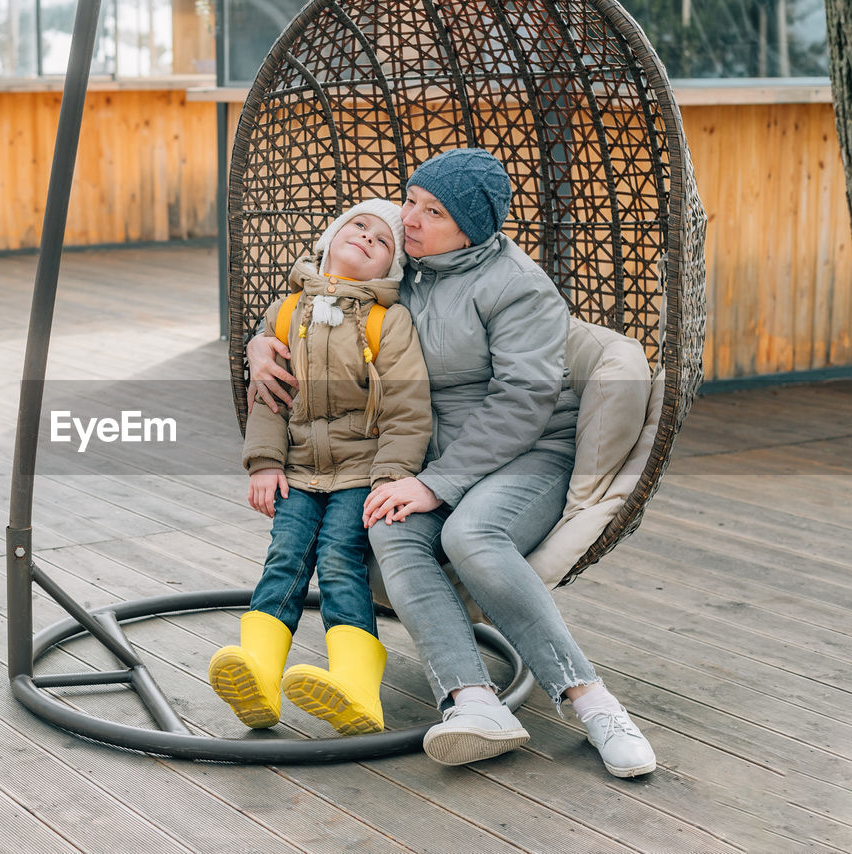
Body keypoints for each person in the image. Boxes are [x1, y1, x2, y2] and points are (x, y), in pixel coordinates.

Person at [246, 149, 656, 777]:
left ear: (474, 228)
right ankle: (472, 701)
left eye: (431, 212)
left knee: (472, 535)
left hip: (527, 452)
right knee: (387, 527)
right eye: (409, 200)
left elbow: (524, 401)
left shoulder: (519, 286)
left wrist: (436, 484)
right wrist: (260, 343)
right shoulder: (406, 264)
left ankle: (591, 700)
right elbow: (324, 298)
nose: (408, 219)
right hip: (425, 454)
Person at [209, 199, 432, 736]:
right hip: (299, 472)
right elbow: (269, 398)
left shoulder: (388, 321)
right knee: (284, 558)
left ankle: (357, 687)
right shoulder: (285, 314)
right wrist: (264, 463)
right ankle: (259, 674)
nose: (367, 239)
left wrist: (391, 477)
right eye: (358, 226)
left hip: (361, 474)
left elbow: (407, 407)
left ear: (390, 268)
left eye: (382, 241)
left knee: (337, 561)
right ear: (329, 237)